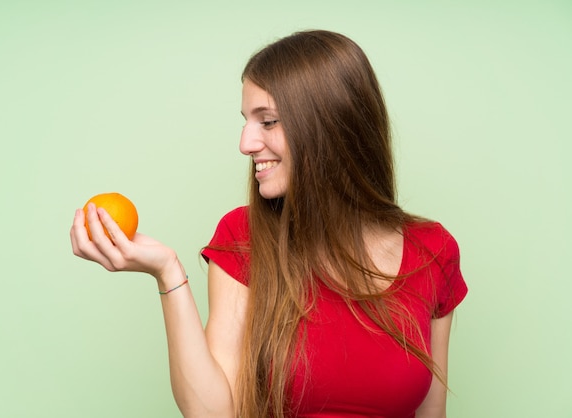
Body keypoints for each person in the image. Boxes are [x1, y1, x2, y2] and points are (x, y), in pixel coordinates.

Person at [70, 29, 468, 418]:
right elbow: (214, 413)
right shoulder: (241, 238)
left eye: (268, 121)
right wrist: (167, 271)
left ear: (330, 124)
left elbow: (432, 412)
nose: (245, 143)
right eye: (246, 120)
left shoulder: (432, 250)